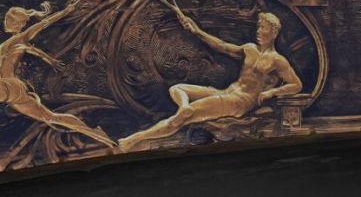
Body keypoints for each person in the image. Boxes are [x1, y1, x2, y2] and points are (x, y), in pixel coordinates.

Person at [118, 11, 302, 152]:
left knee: (180, 120)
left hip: (240, 102)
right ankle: (184, 107)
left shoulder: (278, 61)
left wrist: (272, 92)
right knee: (177, 89)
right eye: (258, 27)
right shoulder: (249, 48)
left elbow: (296, 85)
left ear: (274, 32)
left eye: (264, 28)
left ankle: (135, 139)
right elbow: (221, 46)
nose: (259, 32)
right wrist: (197, 31)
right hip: (226, 92)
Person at [0, 0, 116, 147]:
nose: (6, 22)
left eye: (8, 20)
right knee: (51, 117)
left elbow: (45, 23)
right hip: (13, 91)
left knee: (51, 117)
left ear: (15, 23)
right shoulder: (10, 43)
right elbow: (43, 26)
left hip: (7, 86)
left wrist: (67, 10)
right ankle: (94, 133)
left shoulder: (19, 39)